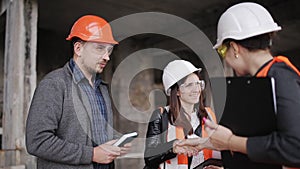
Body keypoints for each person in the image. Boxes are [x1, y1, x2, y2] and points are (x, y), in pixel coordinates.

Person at [177, 2, 300, 169]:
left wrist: (230, 141)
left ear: (234, 47)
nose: (224, 58)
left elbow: (294, 148)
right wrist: (209, 143)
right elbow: (262, 141)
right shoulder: (261, 81)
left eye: (222, 51)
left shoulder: (281, 77)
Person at [26, 15, 131, 169]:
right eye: (99, 48)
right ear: (78, 48)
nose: (107, 57)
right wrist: (92, 154)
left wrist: (115, 141)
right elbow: (37, 141)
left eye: (109, 50)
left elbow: (94, 134)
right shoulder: (54, 84)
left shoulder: (101, 88)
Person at [144, 60, 222, 169]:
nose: (196, 89)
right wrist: (172, 148)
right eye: (189, 85)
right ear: (177, 91)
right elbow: (149, 156)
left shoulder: (209, 115)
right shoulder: (161, 116)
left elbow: (221, 149)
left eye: (198, 84)